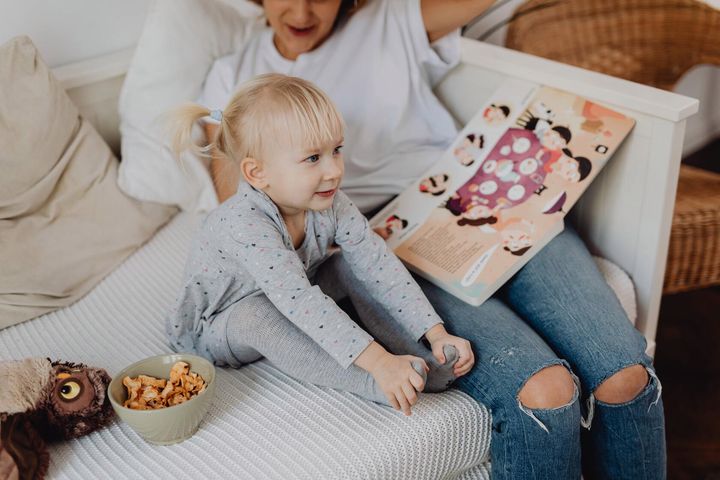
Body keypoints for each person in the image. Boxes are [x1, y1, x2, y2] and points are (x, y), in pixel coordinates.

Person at [196, 1, 666, 478]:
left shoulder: (388, 21)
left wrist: (434, 330)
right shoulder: (232, 78)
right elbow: (240, 202)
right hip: (390, 229)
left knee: (624, 377)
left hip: (483, 199)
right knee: (545, 391)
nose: (302, 8)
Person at [166, 73, 475, 417]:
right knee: (257, 316)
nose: (333, 171)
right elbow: (298, 301)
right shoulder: (244, 224)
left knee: (349, 266)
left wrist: (435, 332)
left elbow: (377, 265)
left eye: (336, 150)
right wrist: (377, 363)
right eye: (313, 158)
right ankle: (371, 382)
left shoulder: (331, 202)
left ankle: (420, 362)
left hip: (295, 287)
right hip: (221, 325)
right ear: (257, 174)